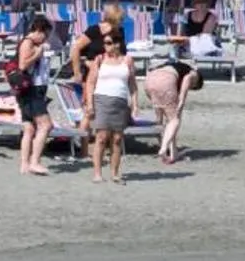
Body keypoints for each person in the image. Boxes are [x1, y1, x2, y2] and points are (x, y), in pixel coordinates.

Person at [84, 29, 136, 185]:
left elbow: (132, 84)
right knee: (101, 137)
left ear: (117, 44)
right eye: (104, 43)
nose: (105, 46)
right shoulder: (99, 60)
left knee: (117, 139)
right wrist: (89, 104)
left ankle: (114, 173)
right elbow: (90, 83)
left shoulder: (127, 60)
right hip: (102, 99)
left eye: (109, 43)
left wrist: (135, 104)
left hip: (120, 101)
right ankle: (97, 173)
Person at [13, 16, 53, 177]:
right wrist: (39, 52)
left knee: (29, 128)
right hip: (32, 89)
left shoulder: (33, 43)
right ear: (38, 31)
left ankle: (24, 164)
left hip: (33, 89)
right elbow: (23, 65)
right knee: (46, 125)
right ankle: (35, 162)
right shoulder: (28, 42)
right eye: (46, 34)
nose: (46, 38)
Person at [143, 56, 199, 167]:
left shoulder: (169, 66)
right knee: (175, 120)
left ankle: (173, 153)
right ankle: (163, 149)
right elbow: (187, 79)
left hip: (149, 81)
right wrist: (182, 100)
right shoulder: (193, 73)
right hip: (165, 81)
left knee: (168, 122)